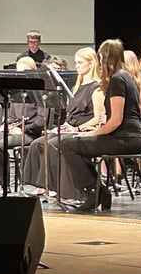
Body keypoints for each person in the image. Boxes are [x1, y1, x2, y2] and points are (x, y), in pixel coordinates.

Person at [60, 39, 141, 212]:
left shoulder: (117, 80)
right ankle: (99, 190)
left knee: (67, 144)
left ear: (106, 58)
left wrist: (92, 134)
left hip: (127, 139)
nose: (100, 62)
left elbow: (116, 120)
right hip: (130, 137)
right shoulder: (126, 77)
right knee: (73, 144)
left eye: (101, 57)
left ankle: (95, 191)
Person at [21, 47, 104, 198]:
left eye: (80, 62)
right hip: (71, 126)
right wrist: (65, 125)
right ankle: (42, 184)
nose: (77, 66)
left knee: (53, 144)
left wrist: (77, 128)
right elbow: (71, 113)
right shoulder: (77, 87)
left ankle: (57, 187)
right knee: (38, 143)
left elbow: (97, 118)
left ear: (91, 64)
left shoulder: (97, 88)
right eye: (76, 62)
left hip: (84, 129)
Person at [0, 57, 47, 193]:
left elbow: (41, 121)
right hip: (14, 129)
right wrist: (5, 124)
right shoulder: (15, 92)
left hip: (29, 133)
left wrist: (22, 129)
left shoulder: (40, 92)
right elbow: (10, 115)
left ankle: (3, 183)